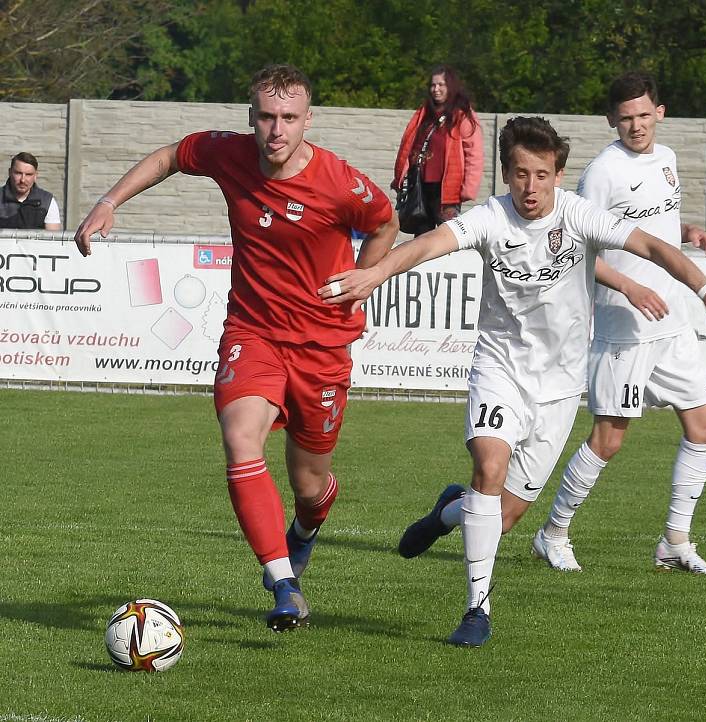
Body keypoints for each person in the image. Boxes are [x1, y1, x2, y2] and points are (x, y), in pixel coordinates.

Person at [318, 116, 706, 647]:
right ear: (506, 174)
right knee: (490, 465)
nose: (530, 187)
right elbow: (429, 245)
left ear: (558, 175)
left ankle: (449, 511)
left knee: (503, 514)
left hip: (560, 387)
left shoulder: (579, 216)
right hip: (500, 370)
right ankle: (477, 609)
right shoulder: (490, 218)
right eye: (520, 174)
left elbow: (654, 248)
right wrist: (375, 274)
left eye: (542, 175)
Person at [74, 64, 398, 632]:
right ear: (252, 119)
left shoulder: (340, 183)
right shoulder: (229, 155)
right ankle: (283, 583)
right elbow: (172, 155)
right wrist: (109, 200)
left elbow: (385, 221)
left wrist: (364, 279)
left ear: (307, 121)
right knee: (239, 438)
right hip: (253, 332)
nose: (277, 130)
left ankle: (303, 530)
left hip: (322, 346)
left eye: (289, 119)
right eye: (267, 117)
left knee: (309, 485)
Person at [532, 71, 706, 576]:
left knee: (705, 427)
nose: (637, 126)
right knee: (609, 439)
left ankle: (674, 542)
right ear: (611, 121)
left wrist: (689, 232)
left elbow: (651, 228)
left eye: (644, 115)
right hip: (624, 324)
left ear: (660, 113)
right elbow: (575, 249)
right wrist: (629, 286)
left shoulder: (666, 160)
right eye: (626, 118)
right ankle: (552, 532)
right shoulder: (602, 172)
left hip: (672, 323)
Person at [393, 65, 483, 234]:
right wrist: (400, 177)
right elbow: (408, 146)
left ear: (451, 86)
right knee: (421, 237)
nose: (436, 89)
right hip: (419, 185)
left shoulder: (462, 115)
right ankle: (421, 262)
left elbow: (474, 154)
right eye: (433, 85)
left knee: (447, 235)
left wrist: (468, 187)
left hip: (447, 189)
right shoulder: (423, 114)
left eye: (441, 85)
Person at [0, 152, 62, 230]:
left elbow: (53, 239)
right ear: (10, 172)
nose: (22, 180)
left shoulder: (47, 201)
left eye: (28, 174)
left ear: (35, 176)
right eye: (18, 173)